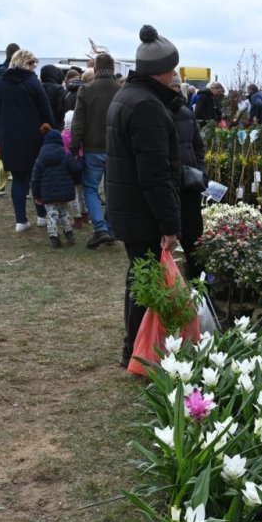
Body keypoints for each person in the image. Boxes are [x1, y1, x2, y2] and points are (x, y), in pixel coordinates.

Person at [107, 24, 182, 369]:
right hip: (142, 212)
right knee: (145, 283)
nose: (175, 74)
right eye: (172, 68)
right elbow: (155, 174)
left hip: (128, 207)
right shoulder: (147, 106)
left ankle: (136, 349)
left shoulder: (127, 96)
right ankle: (138, 352)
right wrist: (169, 224)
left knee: (139, 278)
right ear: (160, 70)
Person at [0, 49, 55, 232]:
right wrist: (51, 129)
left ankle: (21, 220)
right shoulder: (33, 83)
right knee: (36, 177)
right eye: (33, 64)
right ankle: (42, 215)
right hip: (34, 136)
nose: (34, 68)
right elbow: (46, 111)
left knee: (18, 179)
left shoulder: (0, 83)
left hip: (8, 137)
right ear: (26, 63)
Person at [71, 52, 120, 248]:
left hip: (93, 147)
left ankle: (100, 228)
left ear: (95, 69)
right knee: (113, 190)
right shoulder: (121, 90)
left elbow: (78, 121)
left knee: (90, 188)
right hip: (116, 149)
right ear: (113, 68)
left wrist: (74, 146)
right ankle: (110, 228)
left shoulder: (86, 90)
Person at [173, 80, 207, 280]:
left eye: (176, 87)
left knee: (193, 241)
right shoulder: (154, 112)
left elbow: (198, 147)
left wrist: (201, 172)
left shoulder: (186, 114)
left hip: (188, 185)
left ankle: (201, 288)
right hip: (165, 186)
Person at [31, 127, 82, 248]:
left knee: (51, 215)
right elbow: (77, 169)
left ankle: (54, 237)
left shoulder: (40, 158)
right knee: (64, 213)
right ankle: (69, 233)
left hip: (48, 194)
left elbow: (35, 179)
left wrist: (37, 195)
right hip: (64, 193)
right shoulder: (66, 155)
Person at [40, 64, 66, 128]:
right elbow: (60, 109)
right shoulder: (59, 89)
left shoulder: (38, 87)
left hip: (40, 124)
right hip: (55, 124)